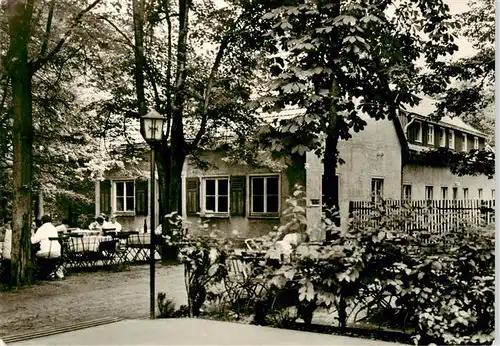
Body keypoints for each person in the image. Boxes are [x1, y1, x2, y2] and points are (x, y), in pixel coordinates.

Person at [31, 215, 64, 279]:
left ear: (42, 221)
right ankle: (50, 271)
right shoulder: (53, 228)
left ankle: (37, 271)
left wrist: (32, 232)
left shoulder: (41, 229)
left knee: (34, 253)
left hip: (46, 252)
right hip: (57, 252)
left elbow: (33, 241)